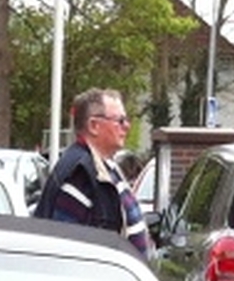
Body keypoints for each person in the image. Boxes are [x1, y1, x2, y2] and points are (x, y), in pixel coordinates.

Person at [34, 87, 152, 261]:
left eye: (126, 120)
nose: (126, 126)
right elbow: (66, 246)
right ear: (94, 125)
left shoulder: (106, 167)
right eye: (119, 120)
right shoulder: (80, 175)